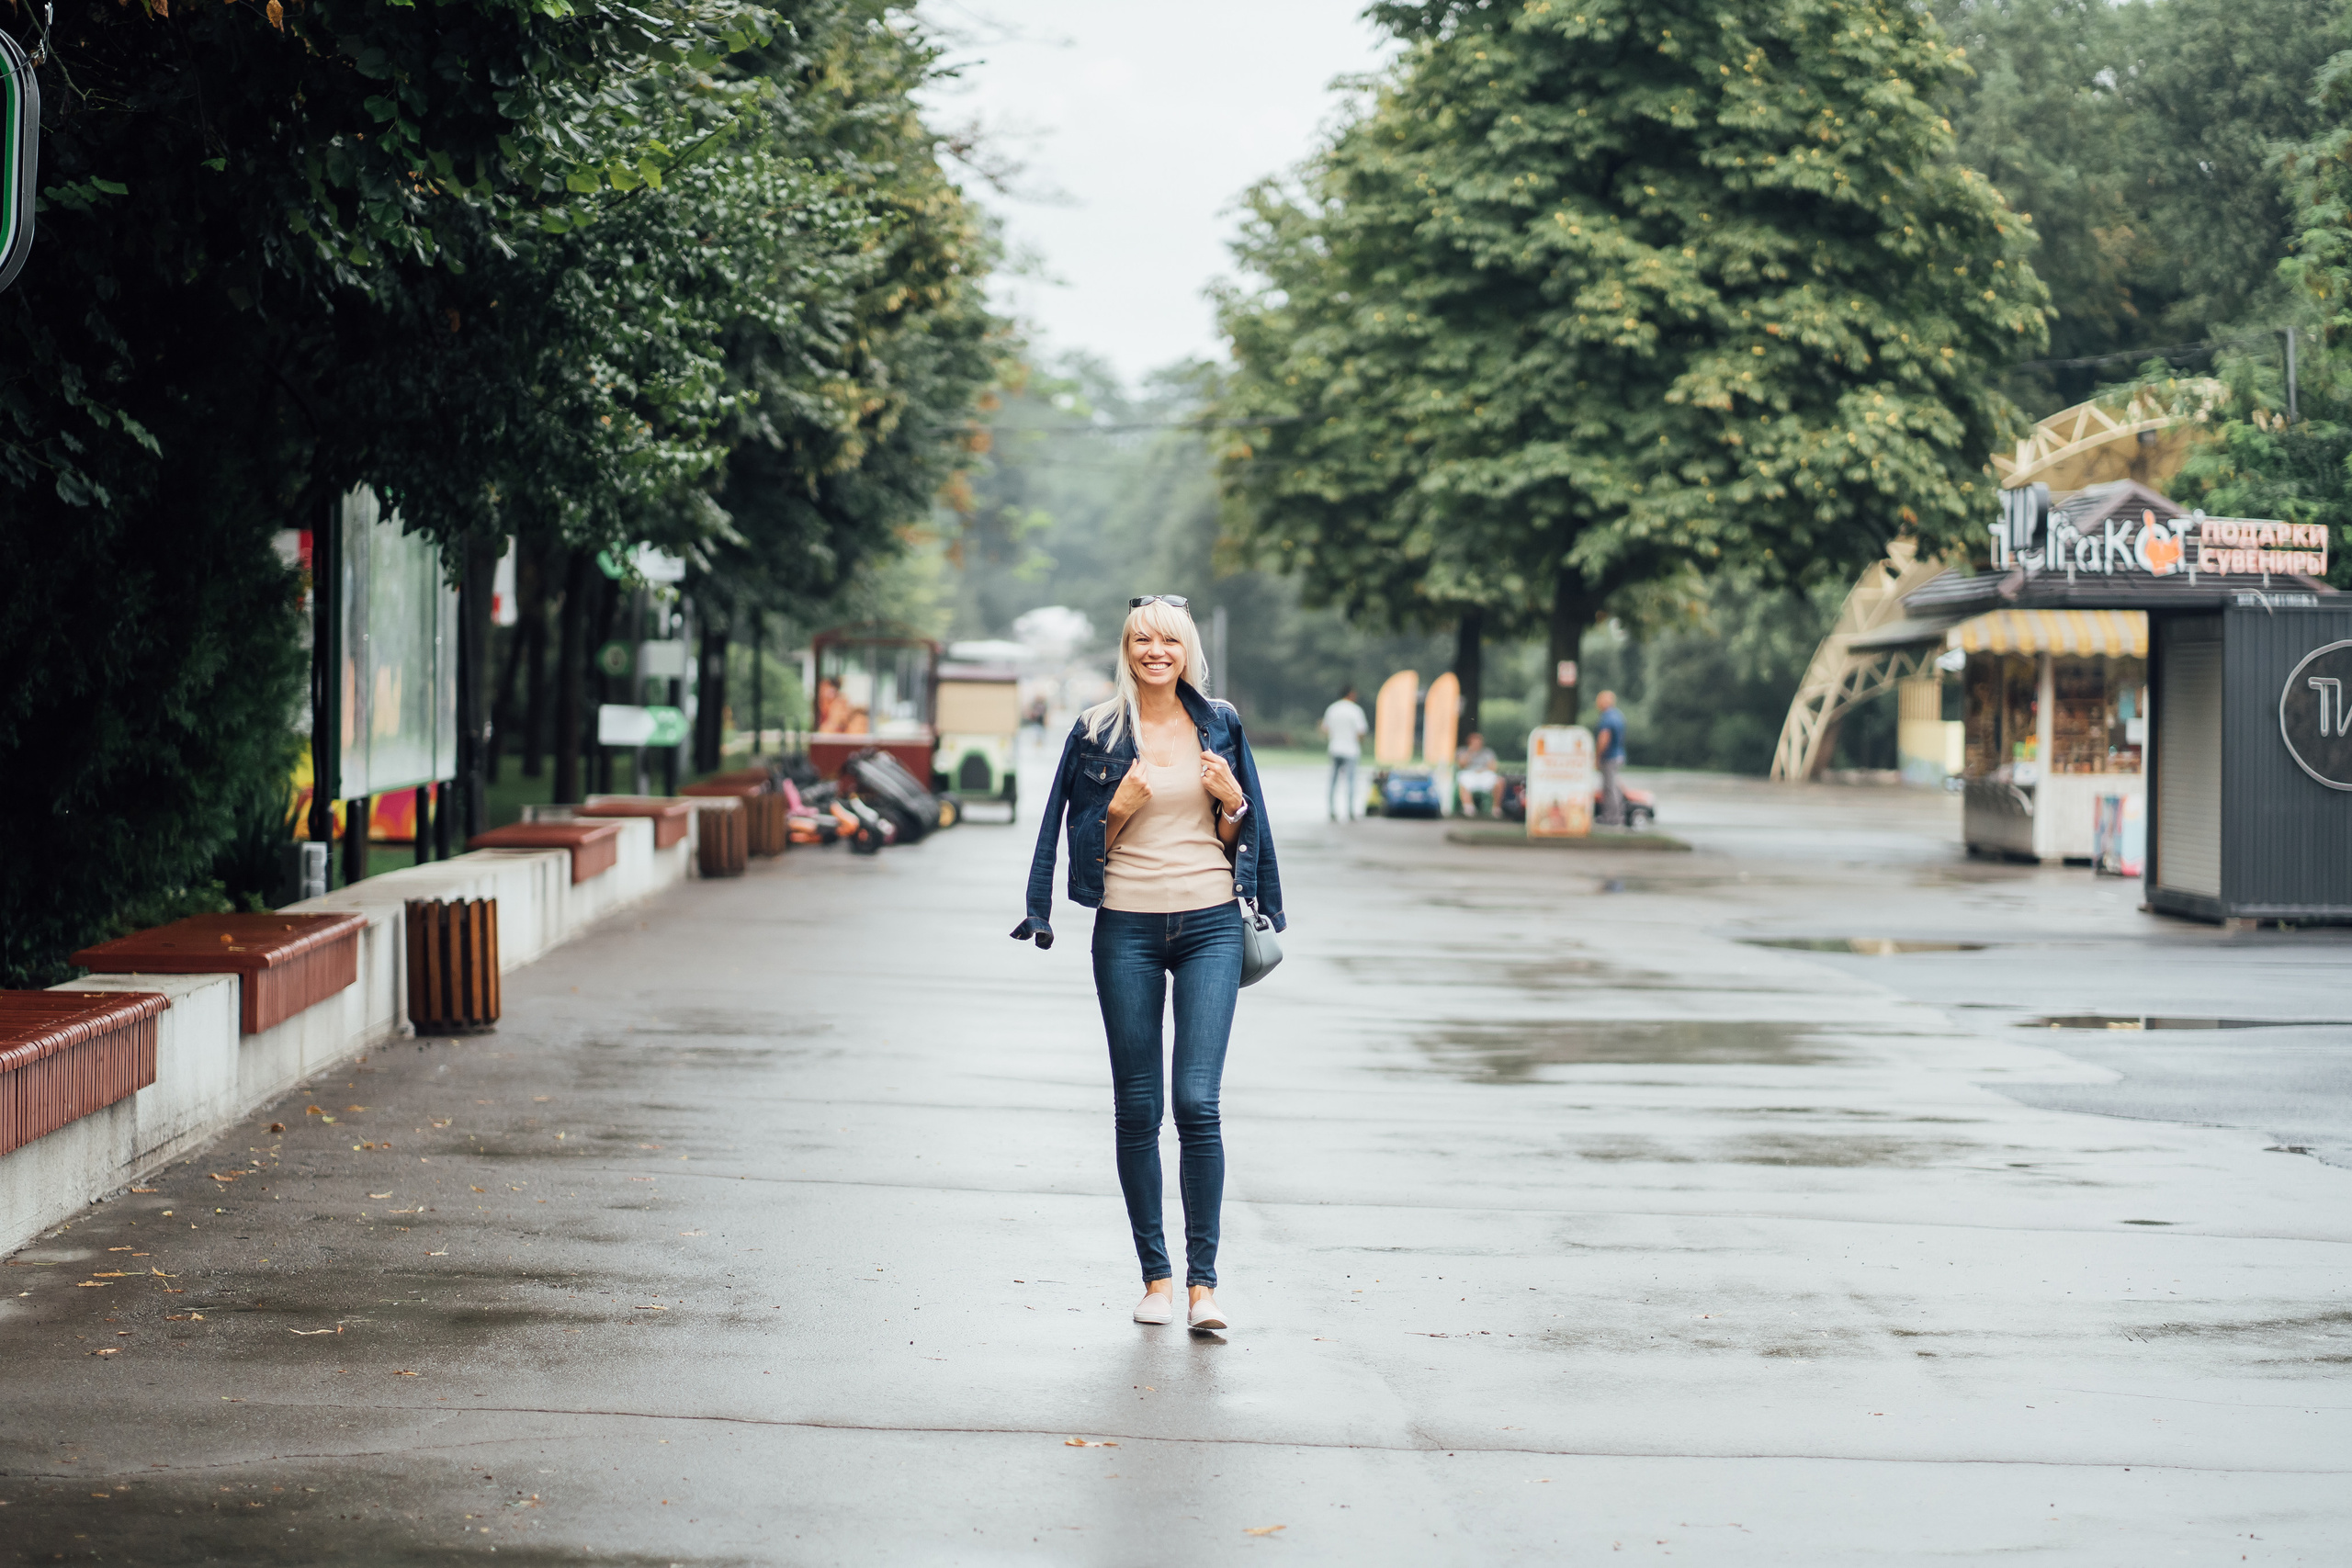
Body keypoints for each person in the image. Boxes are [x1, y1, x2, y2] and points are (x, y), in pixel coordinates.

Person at [1012, 595, 1284, 1335]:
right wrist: (1116, 809)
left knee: (1197, 1101)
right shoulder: (1097, 728)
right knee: (1139, 1107)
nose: (1154, 650)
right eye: (1140, 639)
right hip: (1125, 926)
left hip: (1210, 925)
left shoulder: (1219, 722)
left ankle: (1204, 1286)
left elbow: (1244, 829)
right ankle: (1155, 1279)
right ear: (1126, 650)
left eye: (1167, 639)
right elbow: (1066, 838)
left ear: (1186, 647)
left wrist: (1232, 806)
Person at [1319, 685, 1370, 821]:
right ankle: (1350, 811)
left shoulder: (1333, 709)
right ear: (1351, 694)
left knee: (1333, 781)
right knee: (1351, 781)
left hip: (1335, 748)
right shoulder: (1355, 710)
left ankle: (1331, 810)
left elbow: (1325, 728)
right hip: (1351, 750)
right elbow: (1361, 731)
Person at [1594, 690, 1627, 827]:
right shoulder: (1618, 715)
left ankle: (1612, 817)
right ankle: (1614, 815)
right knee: (1612, 786)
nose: (1597, 704)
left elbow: (1604, 739)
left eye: (1599, 700)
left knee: (1609, 787)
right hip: (1618, 755)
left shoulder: (1607, 717)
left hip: (1610, 757)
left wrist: (1597, 756)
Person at [1455, 731, 1499, 818]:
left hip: (1484, 774)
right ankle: (1468, 808)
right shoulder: (1463, 751)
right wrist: (1470, 752)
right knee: (1463, 781)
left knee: (1499, 781)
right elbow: (1461, 765)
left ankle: (1496, 808)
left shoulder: (1488, 752)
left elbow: (1493, 767)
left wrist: (1482, 770)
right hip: (1469, 774)